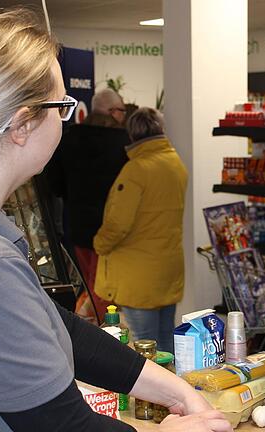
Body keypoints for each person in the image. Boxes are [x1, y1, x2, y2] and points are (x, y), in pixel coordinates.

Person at [0, 9, 230, 432]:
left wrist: (171, 389)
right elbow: (60, 424)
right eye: (62, 106)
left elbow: (54, 326)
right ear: (21, 125)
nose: (64, 120)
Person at [93, 107, 188, 353]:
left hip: (139, 275)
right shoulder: (175, 163)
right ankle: (172, 389)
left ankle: (151, 393)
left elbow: (118, 224)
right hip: (167, 268)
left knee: (143, 344)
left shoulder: (136, 170)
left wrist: (99, 244)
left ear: (132, 134)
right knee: (167, 341)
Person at [45, 88, 130, 323]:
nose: (124, 115)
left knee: (89, 284)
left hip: (78, 226)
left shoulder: (69, 138)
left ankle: (90, 330)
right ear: (113, 111)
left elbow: (55, 183)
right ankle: (105, 336)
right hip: (113, 229)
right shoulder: (123, 142)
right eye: (122, 110)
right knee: (105, 288)